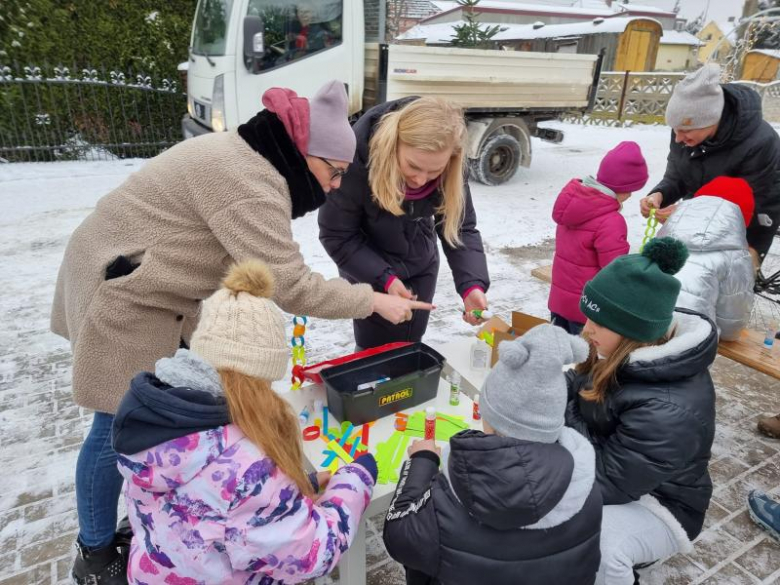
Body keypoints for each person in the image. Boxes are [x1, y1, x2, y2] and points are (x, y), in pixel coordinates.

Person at [51, 79, 430, 584]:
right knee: (115, 421)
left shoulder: (256, 164)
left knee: (163, 406)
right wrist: (373, 299)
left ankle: (171, 503)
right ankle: (95, 555)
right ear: (304, 154)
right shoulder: (249, 181)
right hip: (125, 288)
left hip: (150, 281)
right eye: (333, 173)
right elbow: (290, 285)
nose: (336, 186)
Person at [113, 260, 377, 583]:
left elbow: (210, 510)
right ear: (254, 379)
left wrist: (293, 492)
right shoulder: (247, 472)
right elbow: (314, 551)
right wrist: (356, 479)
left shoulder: (159, 423)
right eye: (266, 383)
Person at [382, 325, 603, 585]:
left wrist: (422, 461)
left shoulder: (450, 498)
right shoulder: (587, 488)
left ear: (489, 417)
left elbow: (398, 536)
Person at [566, 237, 718, 585]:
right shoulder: (613, 352)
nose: (585, 328)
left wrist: (554, 421)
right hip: (624, 477)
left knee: (601, 546)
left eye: (598, 323)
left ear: (634, 332)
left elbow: (608, 484)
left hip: (662, 504)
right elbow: (575, 392)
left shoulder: (669, 407)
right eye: (588, 316)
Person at [318, 96, 490, 350]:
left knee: (410, 340)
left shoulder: (450, 167)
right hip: (369, 269)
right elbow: (337, 236)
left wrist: (472, 284)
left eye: (434, 172)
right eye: (413, 166)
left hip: (421, 263)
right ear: (394, 144)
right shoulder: (355, 161)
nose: (421, 180)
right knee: (374, 349)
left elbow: (459, 228)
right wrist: (385, 278)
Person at [640, 63, 780, 265]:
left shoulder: (760, 142)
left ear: (710, 120)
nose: (678, 138)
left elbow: (746, 205)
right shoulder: (687, 133)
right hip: (700, 208)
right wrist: (660, 194)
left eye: (684, 130)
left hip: (755, 217)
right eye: (674, 129)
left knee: (730, 278)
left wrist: (687, 213)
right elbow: (677, 176)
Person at [549, 141, 648, 335]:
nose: (629, 196)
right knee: (583, 361)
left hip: (559, 303)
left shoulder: (573, 205)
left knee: (558, 354)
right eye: (631, 190)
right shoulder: (611, 221)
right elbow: (614, 270)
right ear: (625, 188)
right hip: (587, 310)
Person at [657, 176, 755, 341]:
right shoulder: (736, 256)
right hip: (686, 341)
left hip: (639, 323)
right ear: (739, 220)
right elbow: (731, 323)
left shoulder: (668, 234)